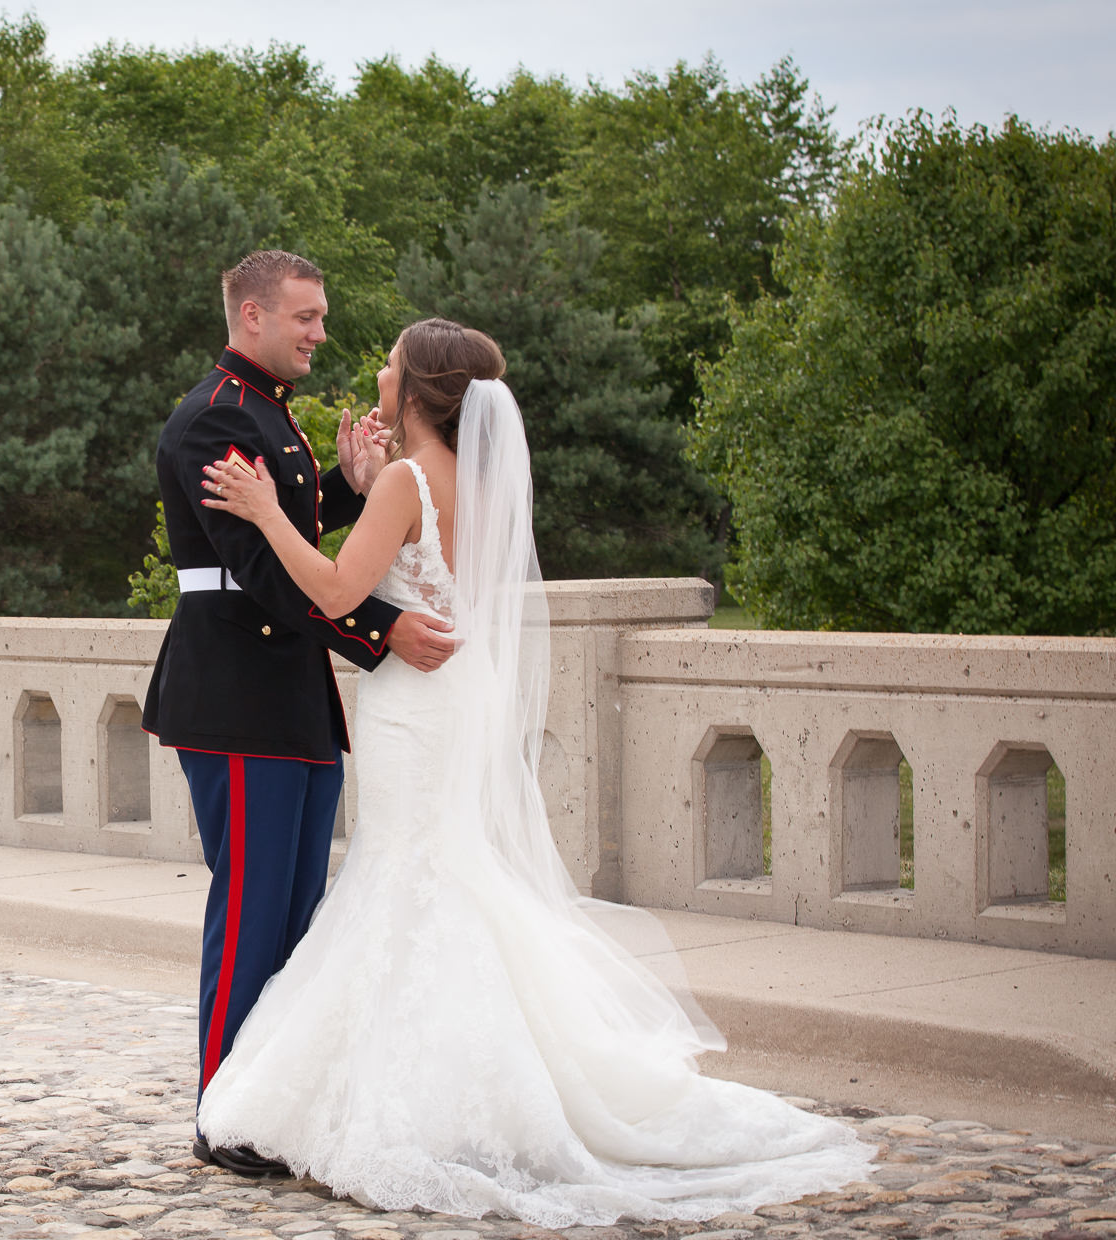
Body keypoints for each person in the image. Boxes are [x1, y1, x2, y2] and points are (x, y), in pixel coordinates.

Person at [191, 317, 876, 1227]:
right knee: (439, 870)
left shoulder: (405, 481)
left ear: (418, 390)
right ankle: (485, 1083)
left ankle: (417, 1101)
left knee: (408, 872)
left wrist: (268, 511)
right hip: (451, 693)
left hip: (412, 705)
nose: (380, 374)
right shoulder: (470, 482)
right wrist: (362, 484)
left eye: (391, 365)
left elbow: (336, 592)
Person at [141, 251, 458, 1178]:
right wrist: (383, 629)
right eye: (306, 317)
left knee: (297, 916)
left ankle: (272, 1101)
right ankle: (223, 1114)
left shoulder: (266, 412)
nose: (321, 333)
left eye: (320, 316)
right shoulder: (215, 419)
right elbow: (264, 573)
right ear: (252, 315)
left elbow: (291, 530)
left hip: (290, 696)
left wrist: (348, 486)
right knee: (252, 912)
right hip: (236, 695)